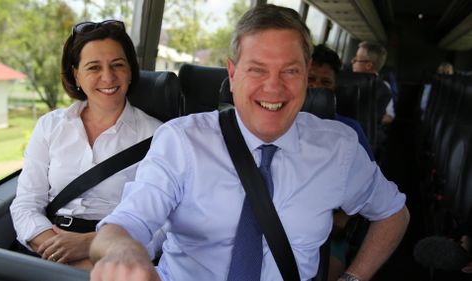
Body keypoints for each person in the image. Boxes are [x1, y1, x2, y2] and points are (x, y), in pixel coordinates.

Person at [89, 5, 410, 281]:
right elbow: (126, 223)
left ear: (306, 74)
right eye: (257, 70)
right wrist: (123, 249)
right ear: (232, 72)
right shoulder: (182, 141)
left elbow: (393, 213)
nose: (274, 87)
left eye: (290, 71)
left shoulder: (338, 149)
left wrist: (352, 278)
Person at [9, 20, 164, 270]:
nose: (108, 76)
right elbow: (26, 204)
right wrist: (58, 251)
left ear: (130, 71)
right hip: (48, 249)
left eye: (117, 65)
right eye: (93, 67)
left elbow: (161, 227)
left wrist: (90, 247)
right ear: (76, 75)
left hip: (116, 257)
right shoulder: (50, 126)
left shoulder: (160, 136)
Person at [308, 44, 376, 281]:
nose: (315, 87)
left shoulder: (349, 130)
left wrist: (343, 219)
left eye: (325, 83)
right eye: (310, 79)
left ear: (335, 87)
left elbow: (367, 190)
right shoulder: (276, 123)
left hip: (328, 233)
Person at [351, 41, 393, 125]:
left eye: (356, 59)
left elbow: (389, 117)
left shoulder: (383, 90)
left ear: (368, 65)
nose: (352, 61)